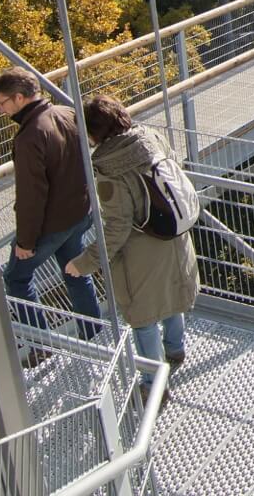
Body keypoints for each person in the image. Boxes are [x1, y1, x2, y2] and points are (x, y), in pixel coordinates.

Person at [67, 95, 199, 401]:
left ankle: (154, 384)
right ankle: (176, 350)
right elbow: (176, 168)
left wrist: (85, 263)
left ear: (94, 133)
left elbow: (117, 227)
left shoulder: (109, 170)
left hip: (142, 253)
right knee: (171, 299)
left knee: (144, 318)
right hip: (175, 237)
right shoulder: (150, 137)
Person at [0, 68, 102, 329]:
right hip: (79, 212)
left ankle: (42, 343)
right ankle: (93, 331)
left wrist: (26, 242)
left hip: (51, 226)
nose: (0, 110)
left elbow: (32, 195)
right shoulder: (66, 112)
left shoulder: (30, 136)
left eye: (1, 103)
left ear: (19, 98)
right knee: (75, 271)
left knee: (17, 278)